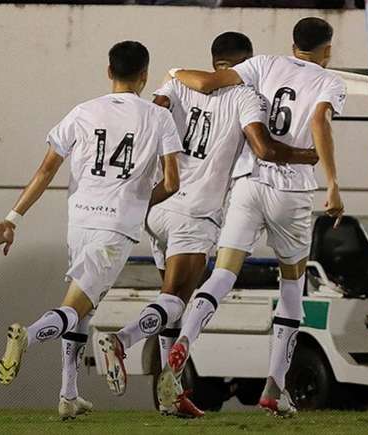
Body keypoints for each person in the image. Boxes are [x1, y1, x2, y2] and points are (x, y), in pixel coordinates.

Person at [94, 32, 319, 418]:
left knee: (172, 301)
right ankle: (123, 338)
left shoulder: (177, 84)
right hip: (195, 213)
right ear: (245, 63)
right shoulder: (247, 95)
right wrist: (306, 154)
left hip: (159, 205)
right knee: (176, 300)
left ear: (213, 60)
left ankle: (172, 396)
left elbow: (152, 114)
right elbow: (263, 148)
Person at [157, 16, 347, 417]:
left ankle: (183, 342)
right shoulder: (331, 81)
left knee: (223, 274)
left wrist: (174, 70)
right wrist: (332, 182)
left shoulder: (261, 63)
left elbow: (209, 83)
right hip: (293, 190)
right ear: (327, 49)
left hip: (248, 183)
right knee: (292, 286)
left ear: (293, 43)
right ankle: (274, 390)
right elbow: (318, 121)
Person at [0, 41, 183, 420]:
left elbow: (46, 169)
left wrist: (13, 217)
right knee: (74, 306)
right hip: (115, 228)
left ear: (108, 71)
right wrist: (140, 201)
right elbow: (172, 181)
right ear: (144, 76)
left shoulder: (82, 112)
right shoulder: (158, 118)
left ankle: (68, 394)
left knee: (85, 307)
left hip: (79, 221)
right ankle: (28, 336)